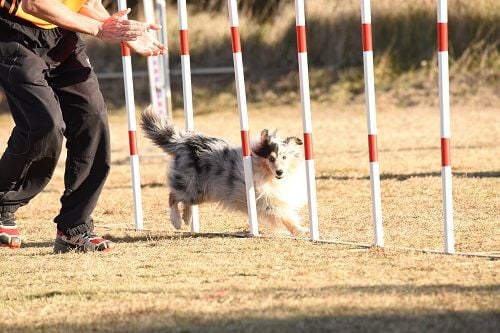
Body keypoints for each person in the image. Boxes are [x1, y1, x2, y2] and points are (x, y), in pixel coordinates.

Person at [0, 0, 165, 252]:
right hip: (13, 32)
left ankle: (74, 228)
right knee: (45, 125)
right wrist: (98, 29)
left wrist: (118, 27)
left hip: (62, 34)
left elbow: (83, 2)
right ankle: (3, 203)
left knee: (93, 120)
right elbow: (34, 4)